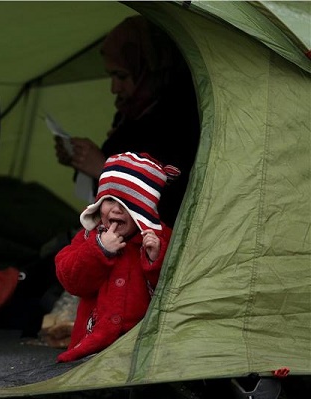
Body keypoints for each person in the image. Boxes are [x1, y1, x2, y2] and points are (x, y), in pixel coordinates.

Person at [55, 15, 199, 227]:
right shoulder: (130, 113)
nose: (114, 88)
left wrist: (105, 170)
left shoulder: (180, 124)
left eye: (121, 76)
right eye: (111, 76)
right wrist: (80, 161)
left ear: (148, 70)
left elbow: (171, 203)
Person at [55, 152, 178, 363]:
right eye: (110, 199)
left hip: (142, 350)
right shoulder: (89, 237)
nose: (117, 209)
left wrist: (155, 260)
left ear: (144, 210)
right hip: (91, 349)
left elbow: (176, 290)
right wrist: (99, 250)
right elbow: (71, 281)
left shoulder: (161, 239)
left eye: (128, 203)